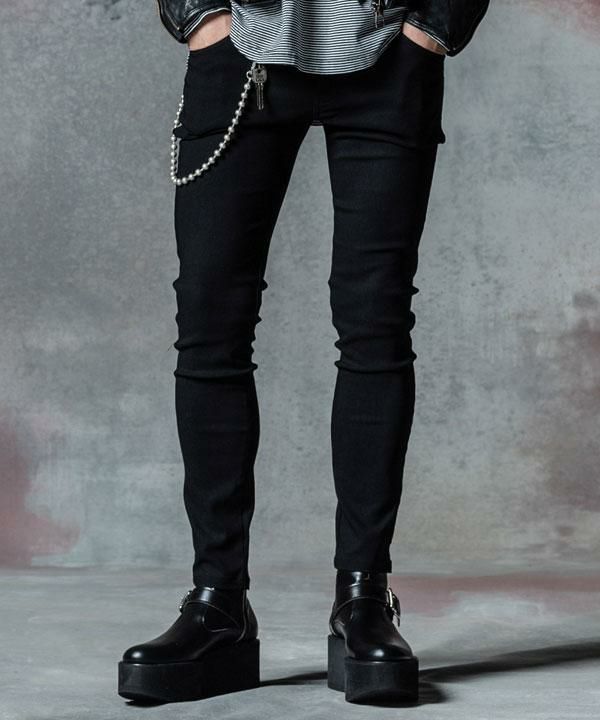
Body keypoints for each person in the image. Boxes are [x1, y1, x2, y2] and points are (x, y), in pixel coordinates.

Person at [118, 0, 490, 705]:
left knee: (375, 324)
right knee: (211, 323)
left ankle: (363, 598)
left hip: (389, 48)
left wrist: (434, 26)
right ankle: (218, 602)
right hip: (241, 50)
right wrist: (199, 16)